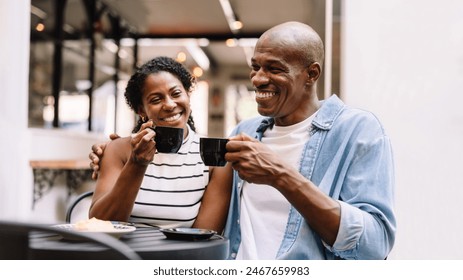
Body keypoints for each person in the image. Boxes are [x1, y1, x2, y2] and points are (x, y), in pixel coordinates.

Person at [90, 21, 396, 260]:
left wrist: (281, 175)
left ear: (311, 73)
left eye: (274, 68)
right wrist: (113, 153)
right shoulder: (244, 133)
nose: (259, 79)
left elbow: (375, 245)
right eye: (256, 67)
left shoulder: (358, 131)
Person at [88, 56, 232, 233]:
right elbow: (99, 223)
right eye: (156, 100)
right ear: (141, 111)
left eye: (176, 93)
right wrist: (136, 163)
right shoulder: (118, 149)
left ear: (188, 95)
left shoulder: (213, 155)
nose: (170, 104)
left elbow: (203, 237)